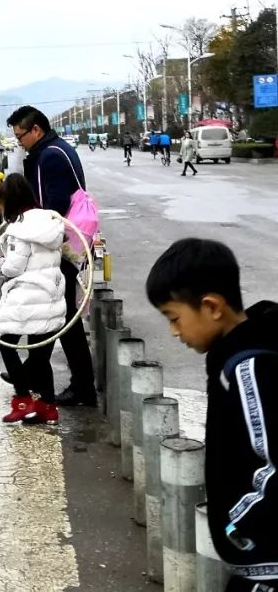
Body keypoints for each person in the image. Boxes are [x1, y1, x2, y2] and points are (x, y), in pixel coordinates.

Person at [146, 239, 278, 592]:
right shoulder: (233, 356)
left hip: (267, 571)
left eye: (174, 318)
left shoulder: (249, 367)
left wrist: (237, 525)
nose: (174, 332)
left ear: (212, 306)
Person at [6, 105, 96, 408]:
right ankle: (37, 372)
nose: (19, 142)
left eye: (21, 136)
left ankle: (81, 387)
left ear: (36, 130)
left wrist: (31, 239)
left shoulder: (49, 157)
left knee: (64, 319)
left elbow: (48, 211)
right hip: (68, 244)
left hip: (62, 247)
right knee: (62, 317)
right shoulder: (57, 149)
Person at [0, 174, 66, 425]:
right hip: (50, 297)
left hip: (27, 297)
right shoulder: (49, 221)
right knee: (40, 355)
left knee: (7, 344)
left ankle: (22, 399)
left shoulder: (19, 229)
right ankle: (47, 407)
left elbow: (13, 267)